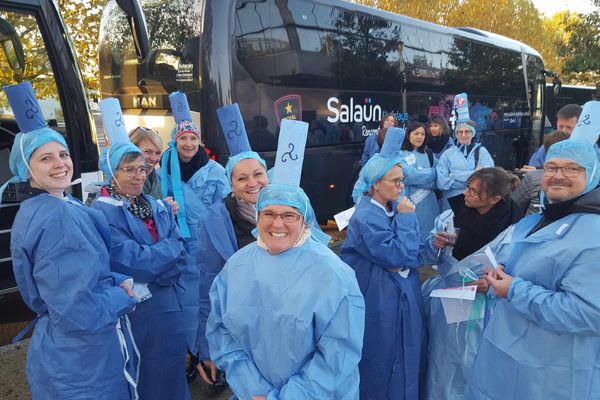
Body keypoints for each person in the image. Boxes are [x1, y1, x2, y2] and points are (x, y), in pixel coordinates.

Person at [206, 119, 365, 399]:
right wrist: (254, 390)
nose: (277, 224)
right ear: (258, 217)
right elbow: (222, 332)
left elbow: (338, 354)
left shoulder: (333, 274)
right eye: (268, 214)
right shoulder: (236, 267)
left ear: (304, 220)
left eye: (289, 215)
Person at [5, 82, 138, 399]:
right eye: (45, 159)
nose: (60, 163)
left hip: (64, 351)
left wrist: (114, 280)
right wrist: (124, 296)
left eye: (63, 154)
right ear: (26, 170)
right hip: (85, 361)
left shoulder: (48, 206)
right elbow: (80, 310)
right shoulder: (57, 218)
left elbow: (72, 276)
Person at [465, 139, 600, 400]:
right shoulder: (539, 220)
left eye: (572, 169)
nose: (559, 175)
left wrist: (514, 290)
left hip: (553, 376)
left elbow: (588, 314)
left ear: (593, 174)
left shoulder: (593, 235)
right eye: (551, 167)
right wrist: (498, 280)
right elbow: (531, 273)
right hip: (512, 361)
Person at [91, 98, 190, 399]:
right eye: (129, 170)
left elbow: (182, 252)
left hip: (169, 310)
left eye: (142, 168)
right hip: (135, 314)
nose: (138, 175)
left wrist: (158, 262)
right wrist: (165, 255)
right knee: (142, 376)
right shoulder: (101, 212)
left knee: (172, 373)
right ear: (111, 172)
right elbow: (130, 261)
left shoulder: (156, 205)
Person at [421, 167, 522, 400]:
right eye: (468, 187)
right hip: (450, 296)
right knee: (443, 357)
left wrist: (494, 282)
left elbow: (516, 265)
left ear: (495, 199)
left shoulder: (514, 228)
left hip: (485, 301)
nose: (466, 194)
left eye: (474, 192)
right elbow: (428, 255)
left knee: (474, 358)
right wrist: (436, 243)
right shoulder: (451, 216)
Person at [341, 127, 425, 400]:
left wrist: (431, 246)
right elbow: (398, 256)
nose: (402, 187)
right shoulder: (367, 216)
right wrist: (407, 220)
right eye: (396, 181)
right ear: (376, 183)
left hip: (393, 294)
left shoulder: (389, 208)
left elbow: (408, 255)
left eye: (402, 180)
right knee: (381, 356)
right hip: (378, 298)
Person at [195, 104, 269, 386]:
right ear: (231, 183)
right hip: (242, 329)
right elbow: (207, 288)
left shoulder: (290, 211)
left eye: (258, 174)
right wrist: (207, 347)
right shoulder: (215, 222)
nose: (252, 183)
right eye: (242, 177)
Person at [160, 91, 230, 357]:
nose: (188, 143)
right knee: (185, 304)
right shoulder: (163, 171)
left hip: (209, 247)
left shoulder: (215, 171)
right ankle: (192, 352)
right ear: (174, 142)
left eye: (193, 138)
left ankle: (214, 355)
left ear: (200, 142)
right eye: (183, 139)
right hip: (178, 249)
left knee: (213, 302)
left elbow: (224, 209)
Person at [436, 120, 494, 211]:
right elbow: (442, 183)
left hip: (475, 201)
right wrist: (473, 175)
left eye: (467, 132)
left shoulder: (482, 152)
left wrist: (454, 175)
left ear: (473, 133)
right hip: (451, 202)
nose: (463, 135)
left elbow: (487, 178)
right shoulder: (447, 154)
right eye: (460, 132)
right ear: (456, 134)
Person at [511, 131, 569, 215]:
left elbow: (514, 205)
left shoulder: (533, 177)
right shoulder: (582, 177)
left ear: (545, 151)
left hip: (534, 225)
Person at [400, 122, 439, 239]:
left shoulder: (429, 154)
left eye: (422, 134)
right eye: (416, 133)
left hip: (431, 206)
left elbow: (439, 176)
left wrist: (416, 178)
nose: (419, 137)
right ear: (408, 135)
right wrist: (430, 174)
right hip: (409, 204)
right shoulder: (400, 154)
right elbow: (408, 175)